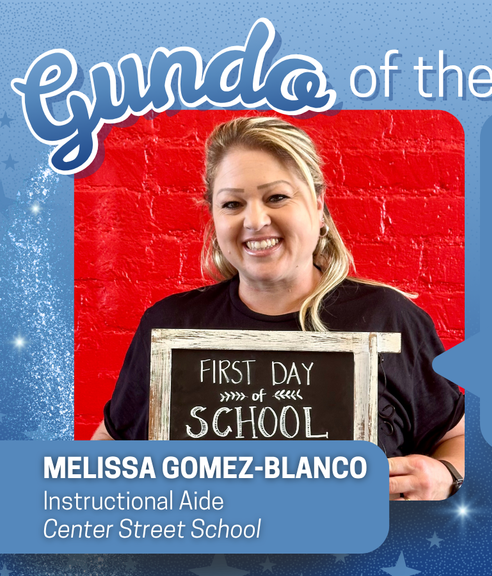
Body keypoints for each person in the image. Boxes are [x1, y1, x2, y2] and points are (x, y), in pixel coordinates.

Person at [92, 116, 465, 501]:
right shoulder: (170, 324)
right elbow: (111, 443)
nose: (254, 220)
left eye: (277, 197)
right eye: (233, 203)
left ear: (318, 208)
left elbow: (458, 436)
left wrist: (446, 474)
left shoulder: (388, 318)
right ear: (215, 218)